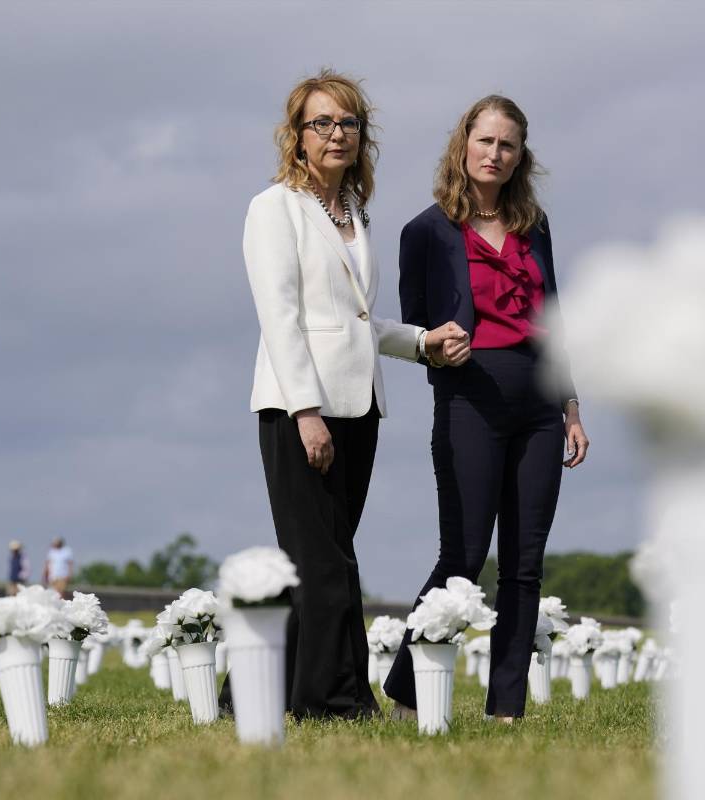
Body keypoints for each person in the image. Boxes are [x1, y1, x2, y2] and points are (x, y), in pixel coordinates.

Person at [240, 69, 470, 721]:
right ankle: (334, 701)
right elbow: (281, 316)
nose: (336, 133)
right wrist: (304, 411)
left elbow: (358, 321)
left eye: (347, 122)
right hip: (298, 409)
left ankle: (250, 692)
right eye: (322, 123)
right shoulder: (274, 208)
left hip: (360, 407)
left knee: (321, 561)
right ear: (297, 137)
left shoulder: (352, 214)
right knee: (327, 565)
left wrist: (423, 343)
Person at [385, 95, 589, 721]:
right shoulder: (425, 231)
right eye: (485, 141)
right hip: (470, 396)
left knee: (525, 564)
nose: (495, 153)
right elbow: (416, 331)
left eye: (508, 144)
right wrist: (435, 351)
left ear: (520, 154)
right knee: (464, 558)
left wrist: (572, 408)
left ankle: (507, 709)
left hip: (539, 403)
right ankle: (407, 688)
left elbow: (554, 318)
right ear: (463, 144)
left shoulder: (536, 225)